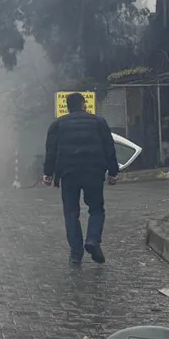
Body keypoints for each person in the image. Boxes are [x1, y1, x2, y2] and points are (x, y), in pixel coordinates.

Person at [42, 92, 120, 265]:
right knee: (97, 209)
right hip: (94, 172)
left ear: (68, 107)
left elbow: (51, 151)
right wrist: (113, 172)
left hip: (69, 174)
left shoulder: (58, 124)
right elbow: (109, 148)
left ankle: (76, 253)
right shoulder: (99, 122)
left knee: (71, 213)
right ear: (84, 105)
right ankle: (92, 240)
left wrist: (48, 173)